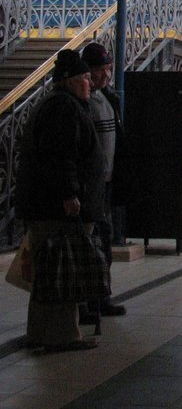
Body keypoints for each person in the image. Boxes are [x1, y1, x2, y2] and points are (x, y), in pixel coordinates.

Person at [15, 49, 104, 352]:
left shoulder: (58, 104)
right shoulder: (63, 109)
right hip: (55, 207)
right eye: (85, 78)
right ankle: (63, 334)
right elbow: (60, 157)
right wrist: (69, 195)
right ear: (69, 80)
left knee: (48, 271)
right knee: (64, 270)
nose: (90, 83)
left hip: (45, 204)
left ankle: (40, 332)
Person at [80, 42, 127, 321]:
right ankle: (85, 303)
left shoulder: (107, 97)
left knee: (104, 242)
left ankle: (101, 297)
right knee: (89, 245)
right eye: (100, 70)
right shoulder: (82, 101)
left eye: (108, 69)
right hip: (89, 186)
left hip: (105, 184)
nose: (105, 75)